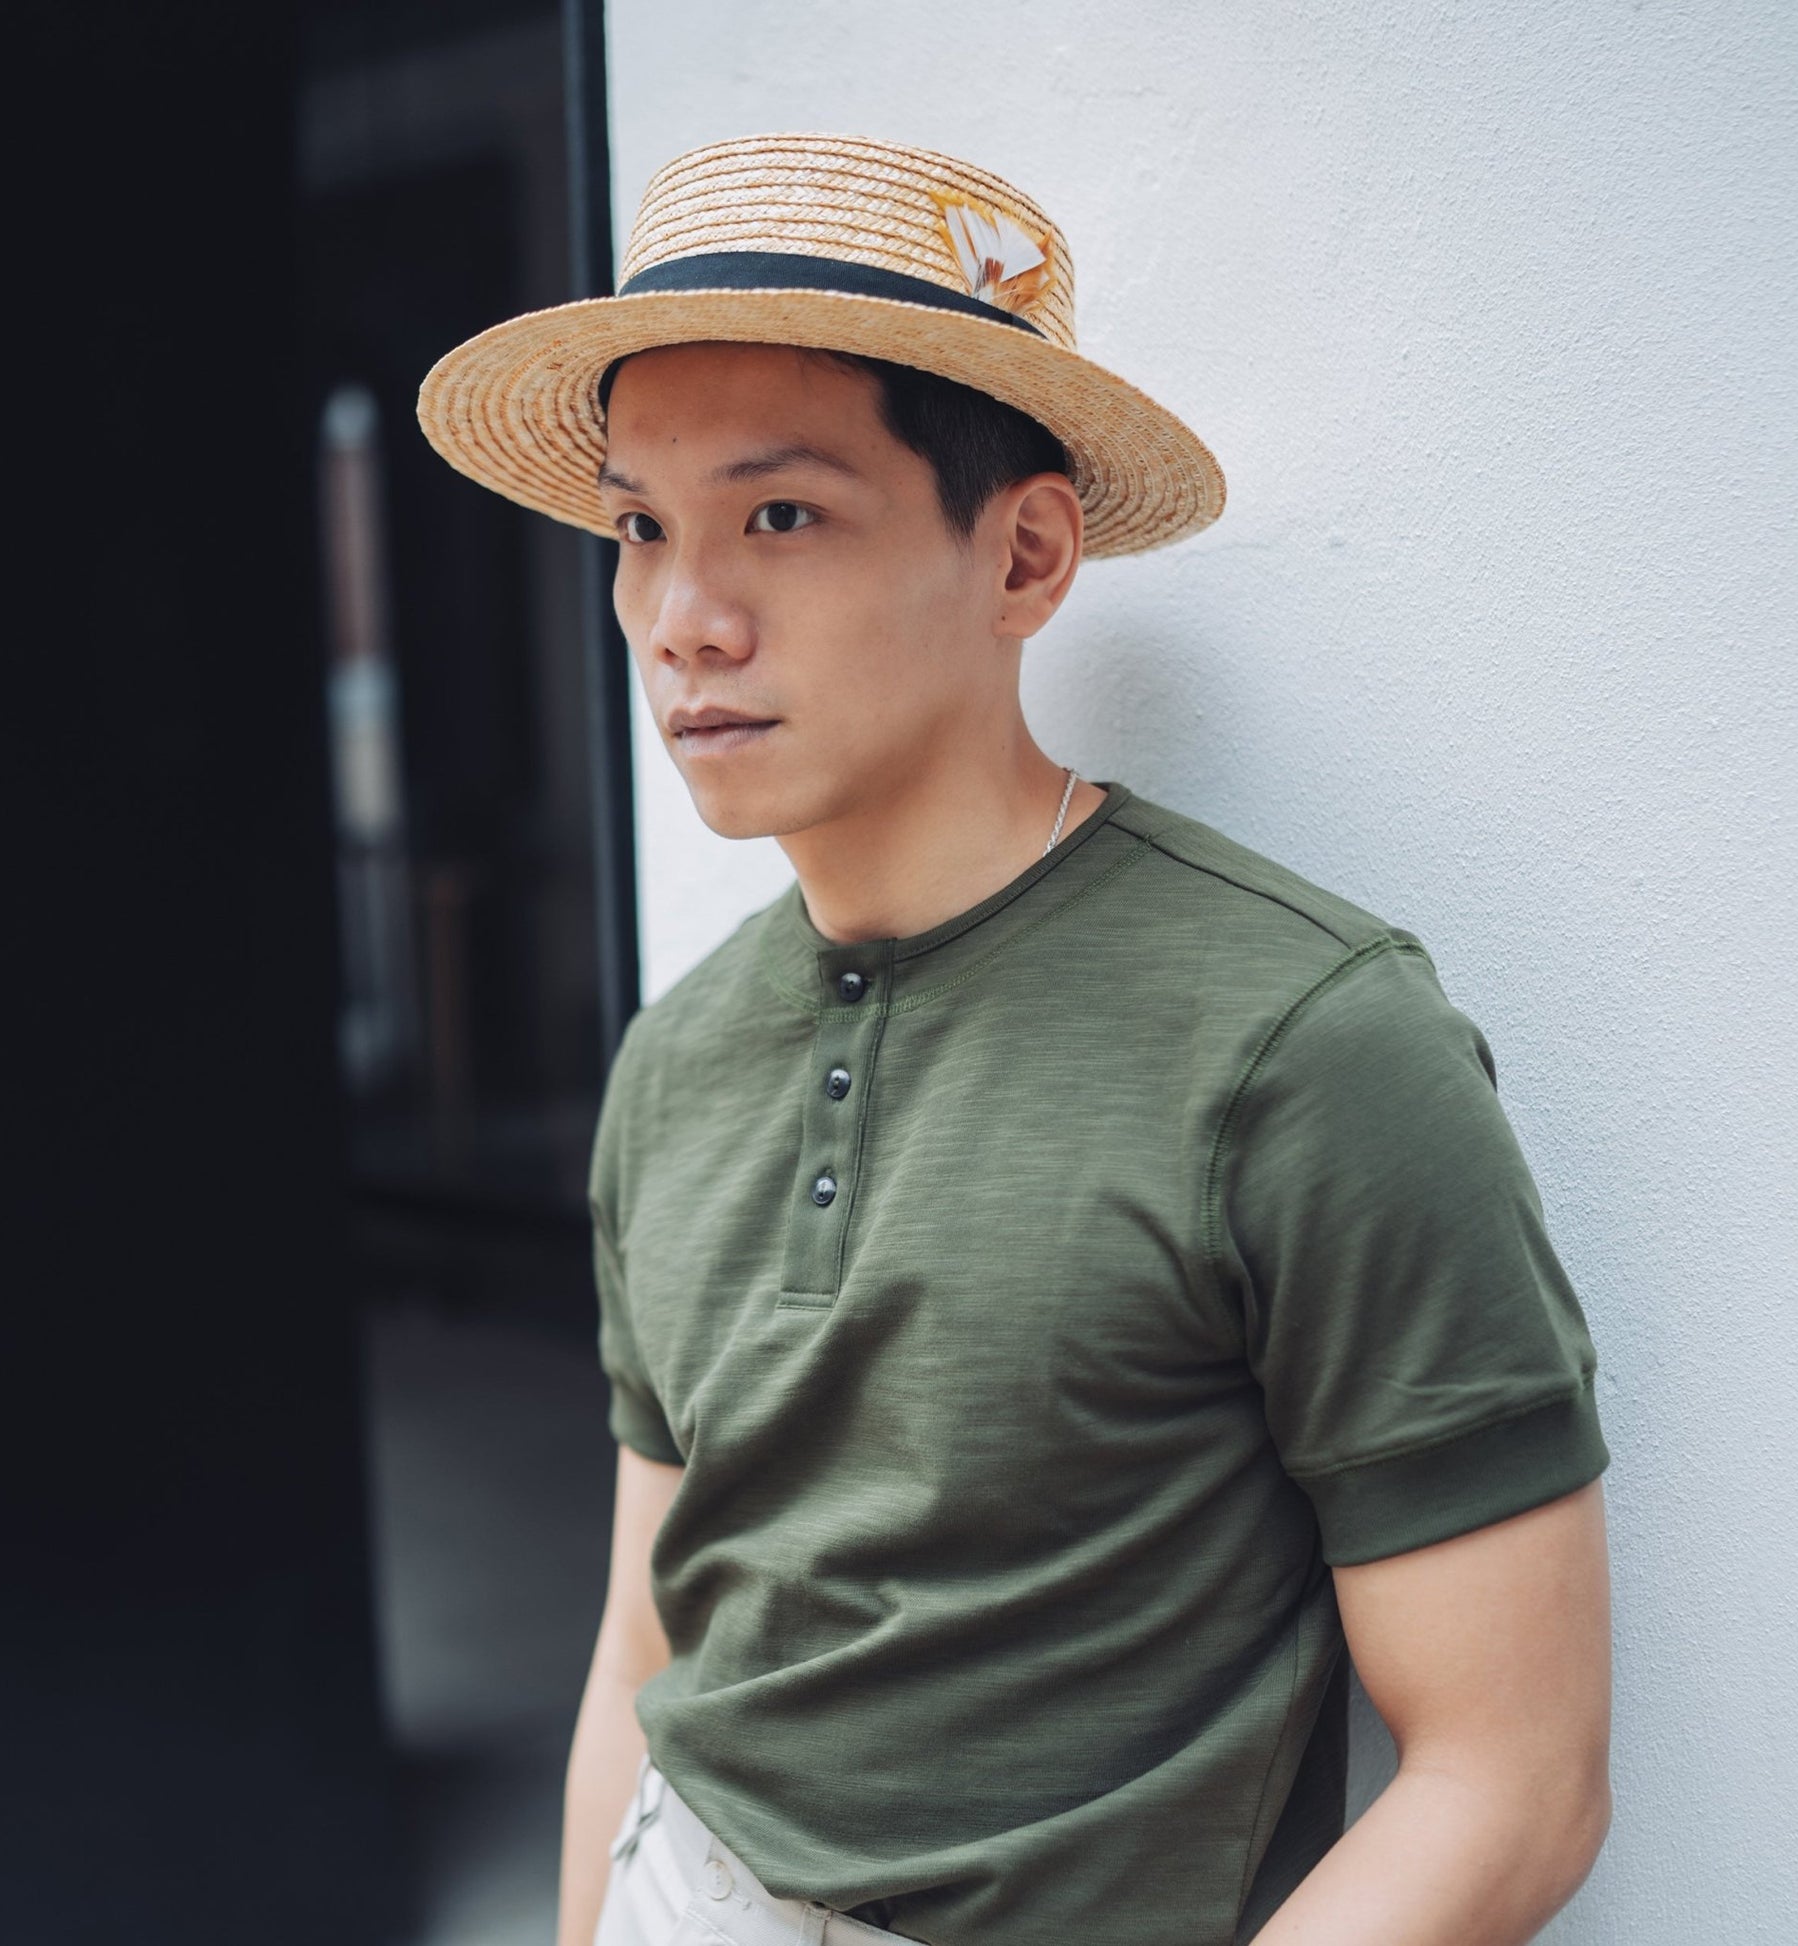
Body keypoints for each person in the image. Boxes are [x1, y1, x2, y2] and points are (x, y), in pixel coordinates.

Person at [418, 131, 1614, 1946]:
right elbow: (640, 1653)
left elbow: (1510, 1776)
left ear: (1027, 552)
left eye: (779, 515)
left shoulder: (1302, 1043)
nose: (682, 620)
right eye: (640, 527)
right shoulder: (673, 1061)